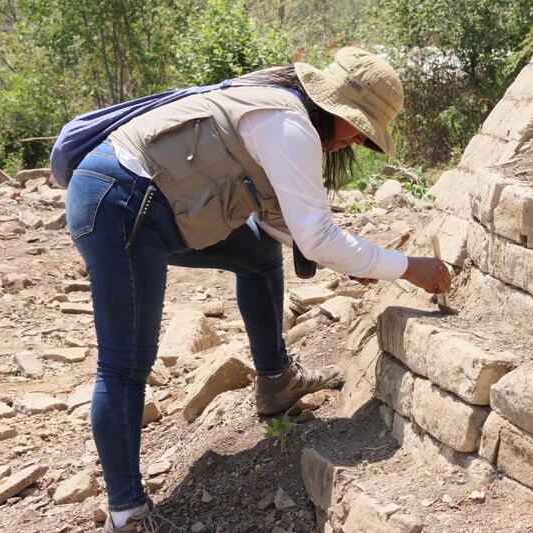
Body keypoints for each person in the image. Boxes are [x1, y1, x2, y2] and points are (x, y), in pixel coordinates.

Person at [64, 46, 451, 532]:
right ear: (334, 108)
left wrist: (349, 261)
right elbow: (318, 236)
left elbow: (283, 224)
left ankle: (275, 381)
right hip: (122, 204)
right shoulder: (288, 125)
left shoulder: (281, 108)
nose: (355, 140)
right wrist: (406, 266)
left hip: (145, 201)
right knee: (124, 365)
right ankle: (127, 513)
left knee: (257, 255)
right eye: (359, 128)